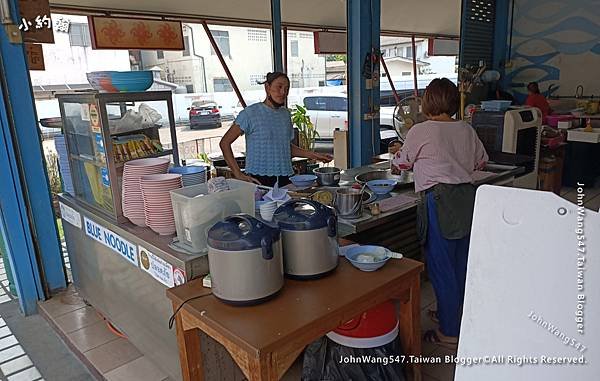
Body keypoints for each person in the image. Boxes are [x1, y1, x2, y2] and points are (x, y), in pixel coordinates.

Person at [392, 78, 488, 348]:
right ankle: (453, 315)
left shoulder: (421, 130)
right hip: (467, 200)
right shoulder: (466, 129)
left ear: (428, 101)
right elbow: (482, 160)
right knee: (460, 263)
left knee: (441, 267)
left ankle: (450, 332)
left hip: (440, 201)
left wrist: (397, 156)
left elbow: (402, 163)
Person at [219, 72, 332, 187]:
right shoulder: (250, 114)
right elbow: (225, 143)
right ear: (267, 87)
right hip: (257, 179)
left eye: (286, 89)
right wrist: (238, 174)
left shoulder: (285, 114)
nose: (283, 92)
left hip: (285, 178)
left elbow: (285, 147)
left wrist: (315, 155)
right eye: (279, 87)